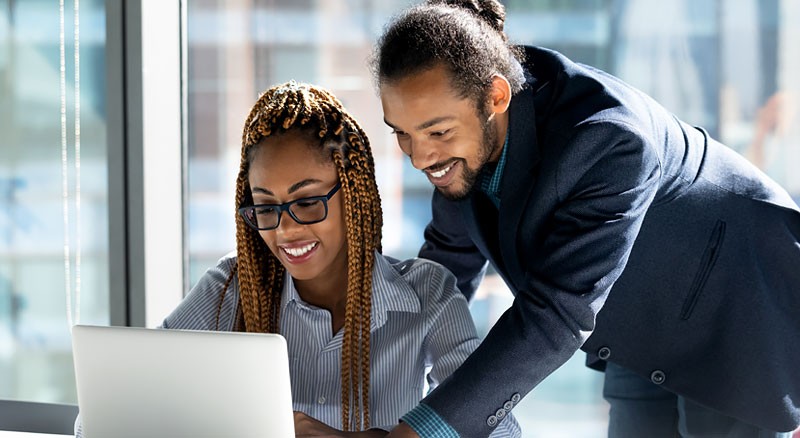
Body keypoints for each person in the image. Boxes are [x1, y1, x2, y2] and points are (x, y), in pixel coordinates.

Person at [371, 1, 800, 437]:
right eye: (402, 132)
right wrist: (374, 391)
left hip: (737, 306)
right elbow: (444, 270)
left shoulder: (606, 138)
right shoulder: (460, 151)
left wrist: (422, 430)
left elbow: (552, 315)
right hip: (639, 320)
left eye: (437, 132)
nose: (419, 156)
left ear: (495, 97)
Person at [72, 81, 519, 438]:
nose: (285, 230)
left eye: (307, 202)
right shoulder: (228, 288)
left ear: (354, 197)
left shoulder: (427, 293)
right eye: (265, 206)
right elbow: (102, 418)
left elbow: (501, 432)